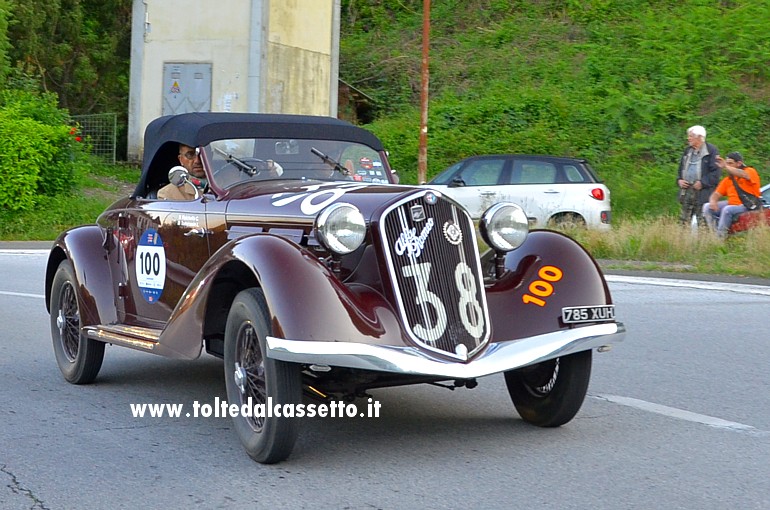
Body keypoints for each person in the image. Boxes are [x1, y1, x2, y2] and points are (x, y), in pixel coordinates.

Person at [702, 152, 761, 239]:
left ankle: (720, 238)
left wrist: (725, 166)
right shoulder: (728, 179)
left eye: (730, 163)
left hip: (748, 205)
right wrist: (713, 201)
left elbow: (743, 174)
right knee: (707, 207)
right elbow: (716, 193)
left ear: (739, 163)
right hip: (732, 204)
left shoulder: (750, 171)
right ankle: (715, 234)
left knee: (727, 209)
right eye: (727, 163)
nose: (728, 166)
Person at [676, 125, 721, 226]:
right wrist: (679, 180)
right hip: (687, 191)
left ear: (700, 137)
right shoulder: (687, 151)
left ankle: (704, 241)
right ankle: (682, 241)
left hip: (703, 192)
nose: (688, 138)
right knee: (683, 221)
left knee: (703, 221)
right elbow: (680, 169)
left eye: (691, 136)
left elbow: (716, 173)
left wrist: (702, 183)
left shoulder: (711, 151)